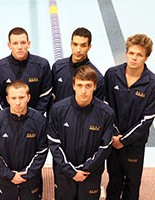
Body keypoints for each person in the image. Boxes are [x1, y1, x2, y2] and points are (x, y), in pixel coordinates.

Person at [105, 34, 155, 200]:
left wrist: (123, 140)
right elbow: (106, 107)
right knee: (114, 181)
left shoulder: (154, 84)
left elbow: (147, 120)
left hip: (134, 144)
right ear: (126, 53)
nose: (134, 58)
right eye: (132, 53)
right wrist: (115, 136)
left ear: (146, 57)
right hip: (113, 140)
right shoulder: (112, 74)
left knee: (132, 183)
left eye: (139, 55)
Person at [47, 65, 116, 200]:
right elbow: (54, 144)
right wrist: (70, 171)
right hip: (64, 173)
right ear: (73, 86)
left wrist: (86, 169)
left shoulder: (106, 113)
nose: (83, 90)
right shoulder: (58, 110)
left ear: (95, 86)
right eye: (80, 85)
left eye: (88, 86)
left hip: (91, 173)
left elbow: (105, 146)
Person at [0, 80, 48, 200]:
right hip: (5, 179)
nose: (18, 102)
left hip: (31, 179)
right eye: (13, 98)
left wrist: (27, 173)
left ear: (28, 97)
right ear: (7, 99)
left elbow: (42, 151)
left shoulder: (40, 121)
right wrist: (10, 175)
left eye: (21, 97)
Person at [0, 27, 52, 115]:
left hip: (34, 120)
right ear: (9, 45)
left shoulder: (42, 65)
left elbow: (46, 94)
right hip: (7, 120)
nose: (19, 47)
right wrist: (7, 118)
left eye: (23, 43)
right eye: (15, 43)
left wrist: (35, 117)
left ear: (28, 44)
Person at [51, 27, 104, 103]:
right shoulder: (58, 67)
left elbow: (97, 108)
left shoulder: (97, 77)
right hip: (59, 114)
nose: (78, 50)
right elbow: (50, 97)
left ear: (89, 47)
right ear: (71, 44)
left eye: (83, 45)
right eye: (75, 44)